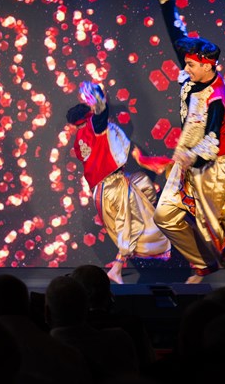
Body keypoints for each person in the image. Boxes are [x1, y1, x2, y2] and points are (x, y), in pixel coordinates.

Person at [152, 0, 225, 283]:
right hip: (186, 163)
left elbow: (211, 139)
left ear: (208, 67)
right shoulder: (192, 74)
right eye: (187, 64)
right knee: (164, 216)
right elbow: (177, 35)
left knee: (215, 236)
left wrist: (190, 158)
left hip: (210, 169)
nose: (186, 69)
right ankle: (202, 265)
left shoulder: (217, 98)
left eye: (192, 66)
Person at [66, 80, 171, 283]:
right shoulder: (94, 127)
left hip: (106, 187)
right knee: (130, 223)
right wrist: (97, 96)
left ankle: (123, 262)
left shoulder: (80, 139)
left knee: (143, 186)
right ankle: (117, 267)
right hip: (111, 185)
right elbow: (101, 114)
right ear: (87, 116)